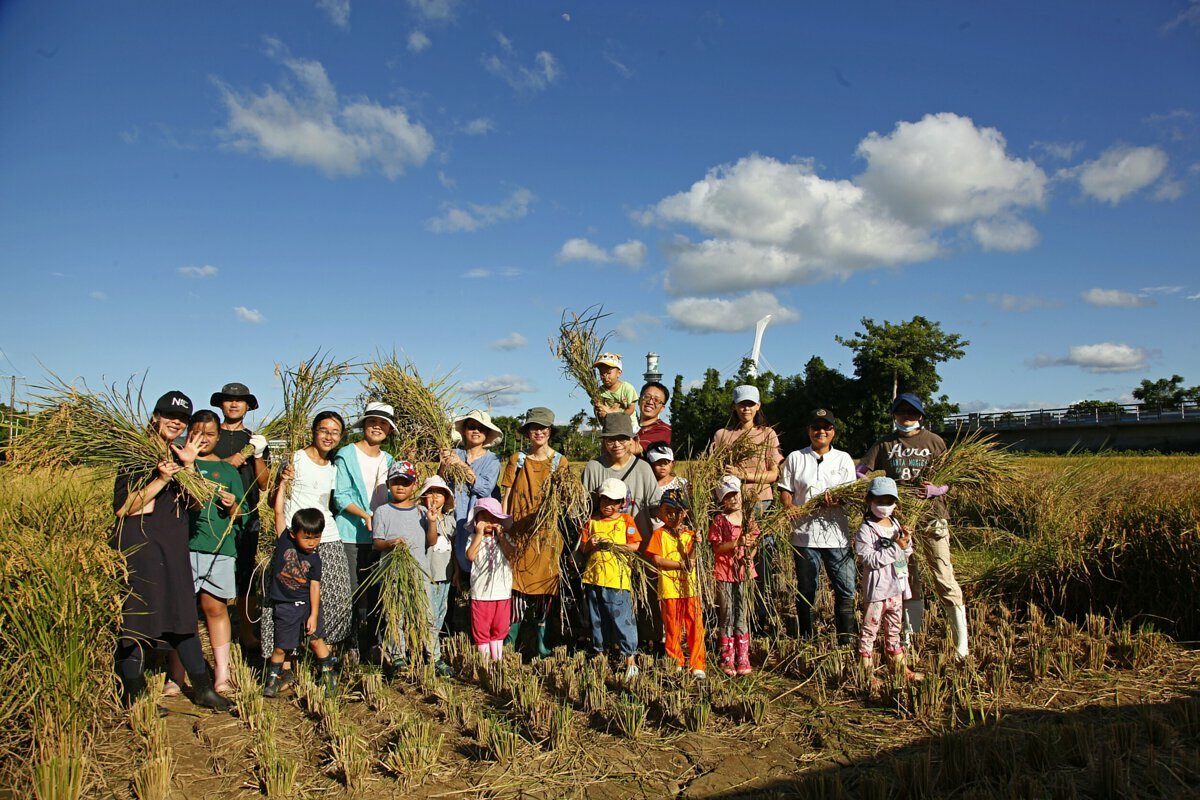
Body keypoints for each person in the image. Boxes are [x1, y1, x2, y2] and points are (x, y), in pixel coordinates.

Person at [111, 390, 231, 712]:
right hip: (141, 547)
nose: (175, 423)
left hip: (174, 547)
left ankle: (203, 690)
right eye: (169, 416)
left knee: (183, 617)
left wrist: (189, 466)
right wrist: (163, 479)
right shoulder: (135, 454)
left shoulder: (179, 454)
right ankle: (133, 696)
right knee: (136, 621)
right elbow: (124, 508)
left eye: (181, 419)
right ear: (155, 417)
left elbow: (197, 503)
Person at [859, 393, 968, 659]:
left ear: (920, 416)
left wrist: (937, 489)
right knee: (906, 578)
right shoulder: (885, 443)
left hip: (933, 519)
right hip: (901, 523)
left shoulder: (934, 441)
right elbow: (861, 469)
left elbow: (953, 478)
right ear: (895, 415)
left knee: (943, 574)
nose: (906, 417)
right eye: (901, 412)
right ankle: (909, 637)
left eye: (911, 412)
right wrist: (865, 485)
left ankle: (961, 642)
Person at [271, 411, 351, 666]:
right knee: (292, 598)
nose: (329, 436)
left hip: (328, 536)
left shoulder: (334, 467)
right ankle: (286, 660)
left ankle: (324, 654)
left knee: (334, 596)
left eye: (335, 432)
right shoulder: (295, 459)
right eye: (324, 430)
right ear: (313, 431)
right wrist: (282, 480)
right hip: (297, 539)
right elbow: (276, 497)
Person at [778, 409, 858, 645]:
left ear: (833, 432)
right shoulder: (795, 457)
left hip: (836, 536)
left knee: (845, 587)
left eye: (826, 427)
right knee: (806, 588)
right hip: (804, 536)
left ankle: (846, 639)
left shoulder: (843, 459)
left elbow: (850, 494)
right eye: (816, 427)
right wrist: (789, 506)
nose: (821, 431)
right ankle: (807, 638)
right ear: (809, 430)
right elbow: (785, 489)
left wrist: (839, 500)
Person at [581, 413, 660, 652]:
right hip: (603, 556)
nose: (616, 444)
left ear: (631, 440)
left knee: (643, 595)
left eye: (622, 439)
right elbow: (583, 508)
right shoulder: (594, 468)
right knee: (603, 601)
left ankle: (646, 642)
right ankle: (605, 645)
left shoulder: (643, 469)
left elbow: (656, 505)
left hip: (638, 547)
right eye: (610, 439)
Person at [183, 409, 246, 695]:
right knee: (182, 613)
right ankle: (176, 674)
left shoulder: (227, 471)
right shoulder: (179, 464)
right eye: (197, 433)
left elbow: (241, 513)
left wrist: (232, 503)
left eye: (210, 434)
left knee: (215, 608)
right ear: (188, 432)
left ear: (219, 437)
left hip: (219, 547)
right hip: (183, 548)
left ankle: (222, 673)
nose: (203, 439)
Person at [711, 384, 782, 634]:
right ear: (734, 406)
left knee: (761, 560)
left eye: (751, 404)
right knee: (732, 561)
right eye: (742, 404)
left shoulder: (767, 434)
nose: (746, 408)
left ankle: (761, 614)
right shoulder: (723, 436)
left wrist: (743, 474)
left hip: (760, 504)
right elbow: (713, 470)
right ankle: (736, 617)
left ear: (758, 406)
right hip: (730, 508)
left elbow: (774, 473)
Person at [500, 407, 568, 658]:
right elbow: (506, 494)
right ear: (527, 432)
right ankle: (510, 642)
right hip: (519, 533)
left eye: (543, 428)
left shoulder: (560, 462)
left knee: (545, 590)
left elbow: (563, 499)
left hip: (547, 537)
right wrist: (505, 526)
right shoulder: (516, 459)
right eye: (533, 428)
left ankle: (541, 643)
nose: (538, 432)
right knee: (516, 589)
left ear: (550, 431)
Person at [332, 402, 397, 663]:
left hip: (379, 536)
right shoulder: (346, 454)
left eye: (383, 424)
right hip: (351, 533)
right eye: (373, 421)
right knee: (353, 591)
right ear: (365, 424)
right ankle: (352, 643)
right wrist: (365, 515)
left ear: (389, 430)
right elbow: (340, 495)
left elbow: (393, 495)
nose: (377, 427)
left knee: (376, 592)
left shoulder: (390, 460)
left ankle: (373, 642)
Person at [209, 382, 269, 657]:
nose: (234, 404)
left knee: (246, 573)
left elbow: (264, 483)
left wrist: (256, 454)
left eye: (240, 401)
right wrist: (228, 462)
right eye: (229, 400)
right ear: (221, 405)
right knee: (209, 572)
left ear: (248, 406)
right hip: (211, 514)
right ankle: (213, 630)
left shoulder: (253, 439)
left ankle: (246, 632)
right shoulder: (209, 435)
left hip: (247, 514)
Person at [855, 477, 922, 685]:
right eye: (880, 501)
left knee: (894, 629)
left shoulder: (895, 524)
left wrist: (906, 541)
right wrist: (897, 548)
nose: (885, 506)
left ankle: (899, 667)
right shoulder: (865, 530)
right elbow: (869, 560)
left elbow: (906, 553)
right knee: (870, 630)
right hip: (877, 590)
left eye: (889, 501)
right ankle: (866, 672)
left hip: (897, 588)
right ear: (869, 501)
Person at [263, 508, 337, 697]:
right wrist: (282, 484)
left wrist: (313, 614)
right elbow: (278, 513)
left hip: (307, 606)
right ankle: (273, 679)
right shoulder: (284, 542)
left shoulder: (315, 559)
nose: (312, 543)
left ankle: (329, 677)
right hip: (285, 607)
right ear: (293, 534)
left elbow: (314, 587)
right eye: (307, 538)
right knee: (281, 646)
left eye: (317, 537)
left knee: (316, 642)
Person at [372, 460, 436, 670]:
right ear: (389, 484)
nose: (400, 486)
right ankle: (397, 654)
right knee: (395, 613)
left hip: (420, 572)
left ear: (414, 484)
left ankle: (433, 655)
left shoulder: (421, 512)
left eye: (405, 482)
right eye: (395, 482)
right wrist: (391, 544)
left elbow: (431, 541)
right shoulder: (382, 511)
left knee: (426, 614)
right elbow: (377, 543)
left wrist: (433, 521)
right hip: (392, 572)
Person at [580, 478, 643, 679]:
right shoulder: (592, 521)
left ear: (621, 503)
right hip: (594, 578)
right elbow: (582, 547)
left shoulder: (626, 521)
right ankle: (601, 654)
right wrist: (592, 544)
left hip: (617, 580)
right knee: (597, 619)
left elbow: (635, 546)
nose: (608, 506)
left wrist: (614, 545)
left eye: (613, 502)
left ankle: (629, 659)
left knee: (622, 619)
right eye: (605, 500)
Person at [644, 489, 705, 678]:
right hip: (669, 590)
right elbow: (658, 560)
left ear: (685, 513)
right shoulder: (659, 535)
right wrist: (680, 565)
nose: (672, 516)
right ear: (660, 512)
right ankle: (675, 660)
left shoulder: (689, 535)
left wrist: (695, 544)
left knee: (695, 625)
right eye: (667, 511)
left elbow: (691, 562)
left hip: (690, 589)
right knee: (672, 627)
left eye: (677, 512)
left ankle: (697, 663)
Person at [442, 409, 504, 575]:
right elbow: (442, 484)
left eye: (481, 428)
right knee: (452, 570)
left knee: (479, 568)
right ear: (464, 430)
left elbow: (485, 489)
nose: (476, 431)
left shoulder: (493, 460)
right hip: (453, 520)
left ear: (487, 433)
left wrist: (461, 466)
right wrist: (443, 465)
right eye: (471, 427)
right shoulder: (454, 454)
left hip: (480, 523)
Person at [709, 475, 759, 676]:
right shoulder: (720, 520)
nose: (732, 499)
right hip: (724, 571)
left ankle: (742, 655)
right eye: (727, 496)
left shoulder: (748, 518)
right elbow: (717, 548)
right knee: (727, 612)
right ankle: (727, 657)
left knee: (742, 612)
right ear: (721, 500)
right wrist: (736, 544)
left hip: (743, 572)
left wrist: (749, 555)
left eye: (735, 494)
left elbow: (753, 543)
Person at [465, 497, 516, 662]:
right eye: (484, 517)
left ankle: (498, 660)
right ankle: (485, 663)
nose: (489, 522)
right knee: (481, 629)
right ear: (476, 521)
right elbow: (471, 555)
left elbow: (511, 555)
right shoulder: (473, 538)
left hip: (502, 593)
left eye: (493, 517)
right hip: (481, 594)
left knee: (499, 628)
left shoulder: (505, 538)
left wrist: (501, 536)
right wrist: (479, 534)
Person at [418, 475, 456, 673]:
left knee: (440, 615)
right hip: (428, 575)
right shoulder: (420, 517)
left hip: (445, 575)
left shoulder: (450, 521)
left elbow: (454, 548)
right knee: (430, 617)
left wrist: (456, 571)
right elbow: (430, 541)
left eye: (439, 494)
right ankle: (434, 657)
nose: (434, 498)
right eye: (430, 493)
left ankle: (431, 651)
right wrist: (431, 521)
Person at [646, 444, 687, 525]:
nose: (662, 465)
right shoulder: (647, 485)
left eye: (666, 462)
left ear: (672, 463)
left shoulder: (682, 483)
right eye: (658, 462)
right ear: (650, 464)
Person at [591, 352, 637, 421]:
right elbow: (598, 409)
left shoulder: (627, 388)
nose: (605, 376)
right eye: (602, 373)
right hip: (611, 426)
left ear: (619, 373)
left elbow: (631, 408)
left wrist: (618, 418)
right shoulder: (599, 391)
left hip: (629, 425)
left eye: (609, 373)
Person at [631, 381, 672, 456]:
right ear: (639, 400)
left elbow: (635, 449)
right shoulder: (630, 423)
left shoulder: (663, 429)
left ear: (662, 408)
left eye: (656, 400)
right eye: (646, 397)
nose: (650, 402)